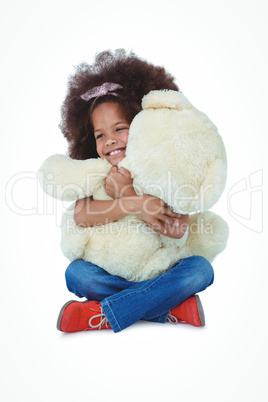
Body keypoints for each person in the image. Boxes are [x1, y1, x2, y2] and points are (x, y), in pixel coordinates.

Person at [56, 49, 214, 333]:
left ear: (141, 125)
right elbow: (82, 216)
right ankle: (165, 309)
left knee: (201, 269)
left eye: (120, 129)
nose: (111, 141)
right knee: (76, 274)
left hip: (160, 271)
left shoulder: (163, 166)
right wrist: (134, 205)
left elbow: (178, 229)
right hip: (110, 274)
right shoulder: (96, 172)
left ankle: (106, 313)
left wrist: (128, 192)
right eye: (100, 135)